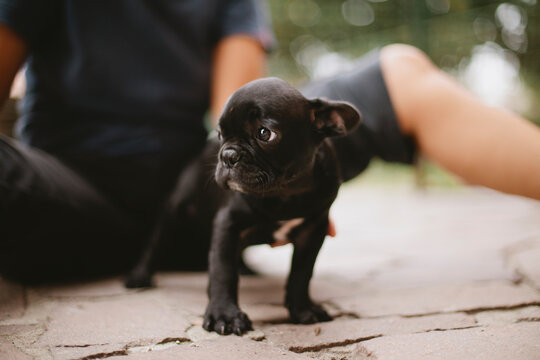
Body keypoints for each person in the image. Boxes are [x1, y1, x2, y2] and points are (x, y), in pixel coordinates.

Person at [1, 0, 539, 284]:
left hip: (208, 188)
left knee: (399, 71)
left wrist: (290, 178)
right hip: (69, 192)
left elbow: (233, 112)